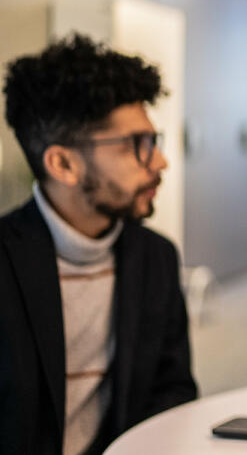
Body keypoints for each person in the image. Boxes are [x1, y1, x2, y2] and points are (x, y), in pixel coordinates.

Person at [0, 35, 197, 455]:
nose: (159, 162)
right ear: (64, 164)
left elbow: (174, 390)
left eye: (154, 141)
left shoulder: (155, 257)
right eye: (135, 146)